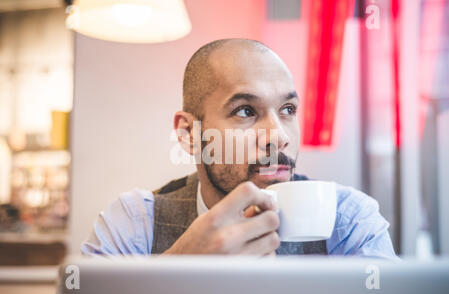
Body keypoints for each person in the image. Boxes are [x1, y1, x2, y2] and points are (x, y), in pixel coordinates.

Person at [81, 39, 398, 259]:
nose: (278, 137)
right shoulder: (135, 222)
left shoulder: (348, 219)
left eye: (288, 109)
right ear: (189, 133)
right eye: (246, 111)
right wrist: (176, 270)